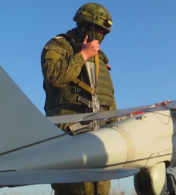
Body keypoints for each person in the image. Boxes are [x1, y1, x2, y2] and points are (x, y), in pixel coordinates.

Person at [40, 2, 116, 195]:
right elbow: (53, 76)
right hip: (69, 136)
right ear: (82, 24)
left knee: (100, 188)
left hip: (100, 140)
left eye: (102, 31)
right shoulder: (59, 45)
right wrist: (82, 55)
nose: (99, 34)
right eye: (95, 29)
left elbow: (108, 99)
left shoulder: (101, 59)